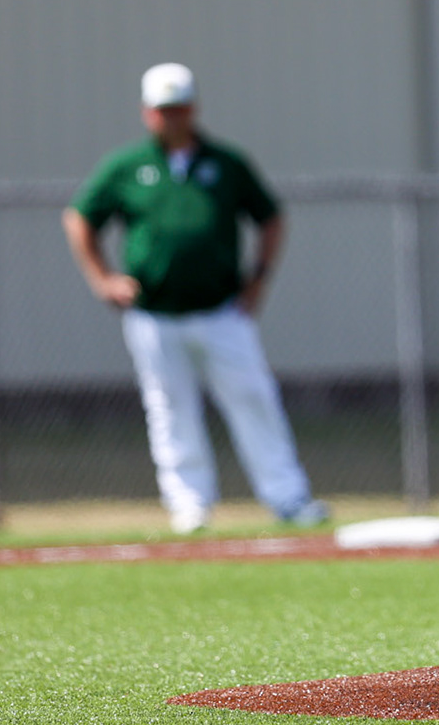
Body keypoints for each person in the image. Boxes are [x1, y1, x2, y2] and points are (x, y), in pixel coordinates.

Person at [62, 63, 329, 535]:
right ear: (148, 113)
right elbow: (81, 217)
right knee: (170, 408)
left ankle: (288, 498)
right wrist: (103, 278)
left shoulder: (226, 164)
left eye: (180, 108)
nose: (172, 118)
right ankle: (189, 503)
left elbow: (269, 216)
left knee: (253, 399)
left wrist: (259, 277)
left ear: (194, 109)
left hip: (222, 310)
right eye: (163, 111)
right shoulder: (128, 167)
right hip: (155, 314)